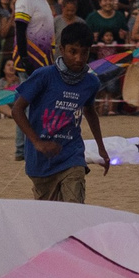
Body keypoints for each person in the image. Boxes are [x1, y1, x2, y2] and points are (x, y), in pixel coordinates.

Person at [12, 22, 114, 204]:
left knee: (74, 208)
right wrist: (37, 142)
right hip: (41, 161)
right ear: (61, 49)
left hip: (71, 154)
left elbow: (90, 112)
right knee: (49, 217)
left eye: (84, 53)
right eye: (72, 51)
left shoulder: (91, 82)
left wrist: (101, 147)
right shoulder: (44, 76)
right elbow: (17, 110)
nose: (78, 58)